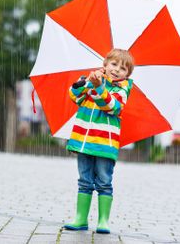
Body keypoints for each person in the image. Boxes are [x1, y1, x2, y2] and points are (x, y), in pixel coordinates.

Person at [63, 48, 134, 234]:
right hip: (84, 142)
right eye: (114, 64)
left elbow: (112, 107)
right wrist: (88, 83)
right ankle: (81, 218)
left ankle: (103, 220)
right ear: (105, 64)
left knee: (104, 182)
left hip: (104, 144)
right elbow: (74, 95)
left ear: (127, 74)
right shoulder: (92, 79)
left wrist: (100, 88)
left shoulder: (123, 89)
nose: (117, 70)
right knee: (84, 181)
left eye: (123, 68)